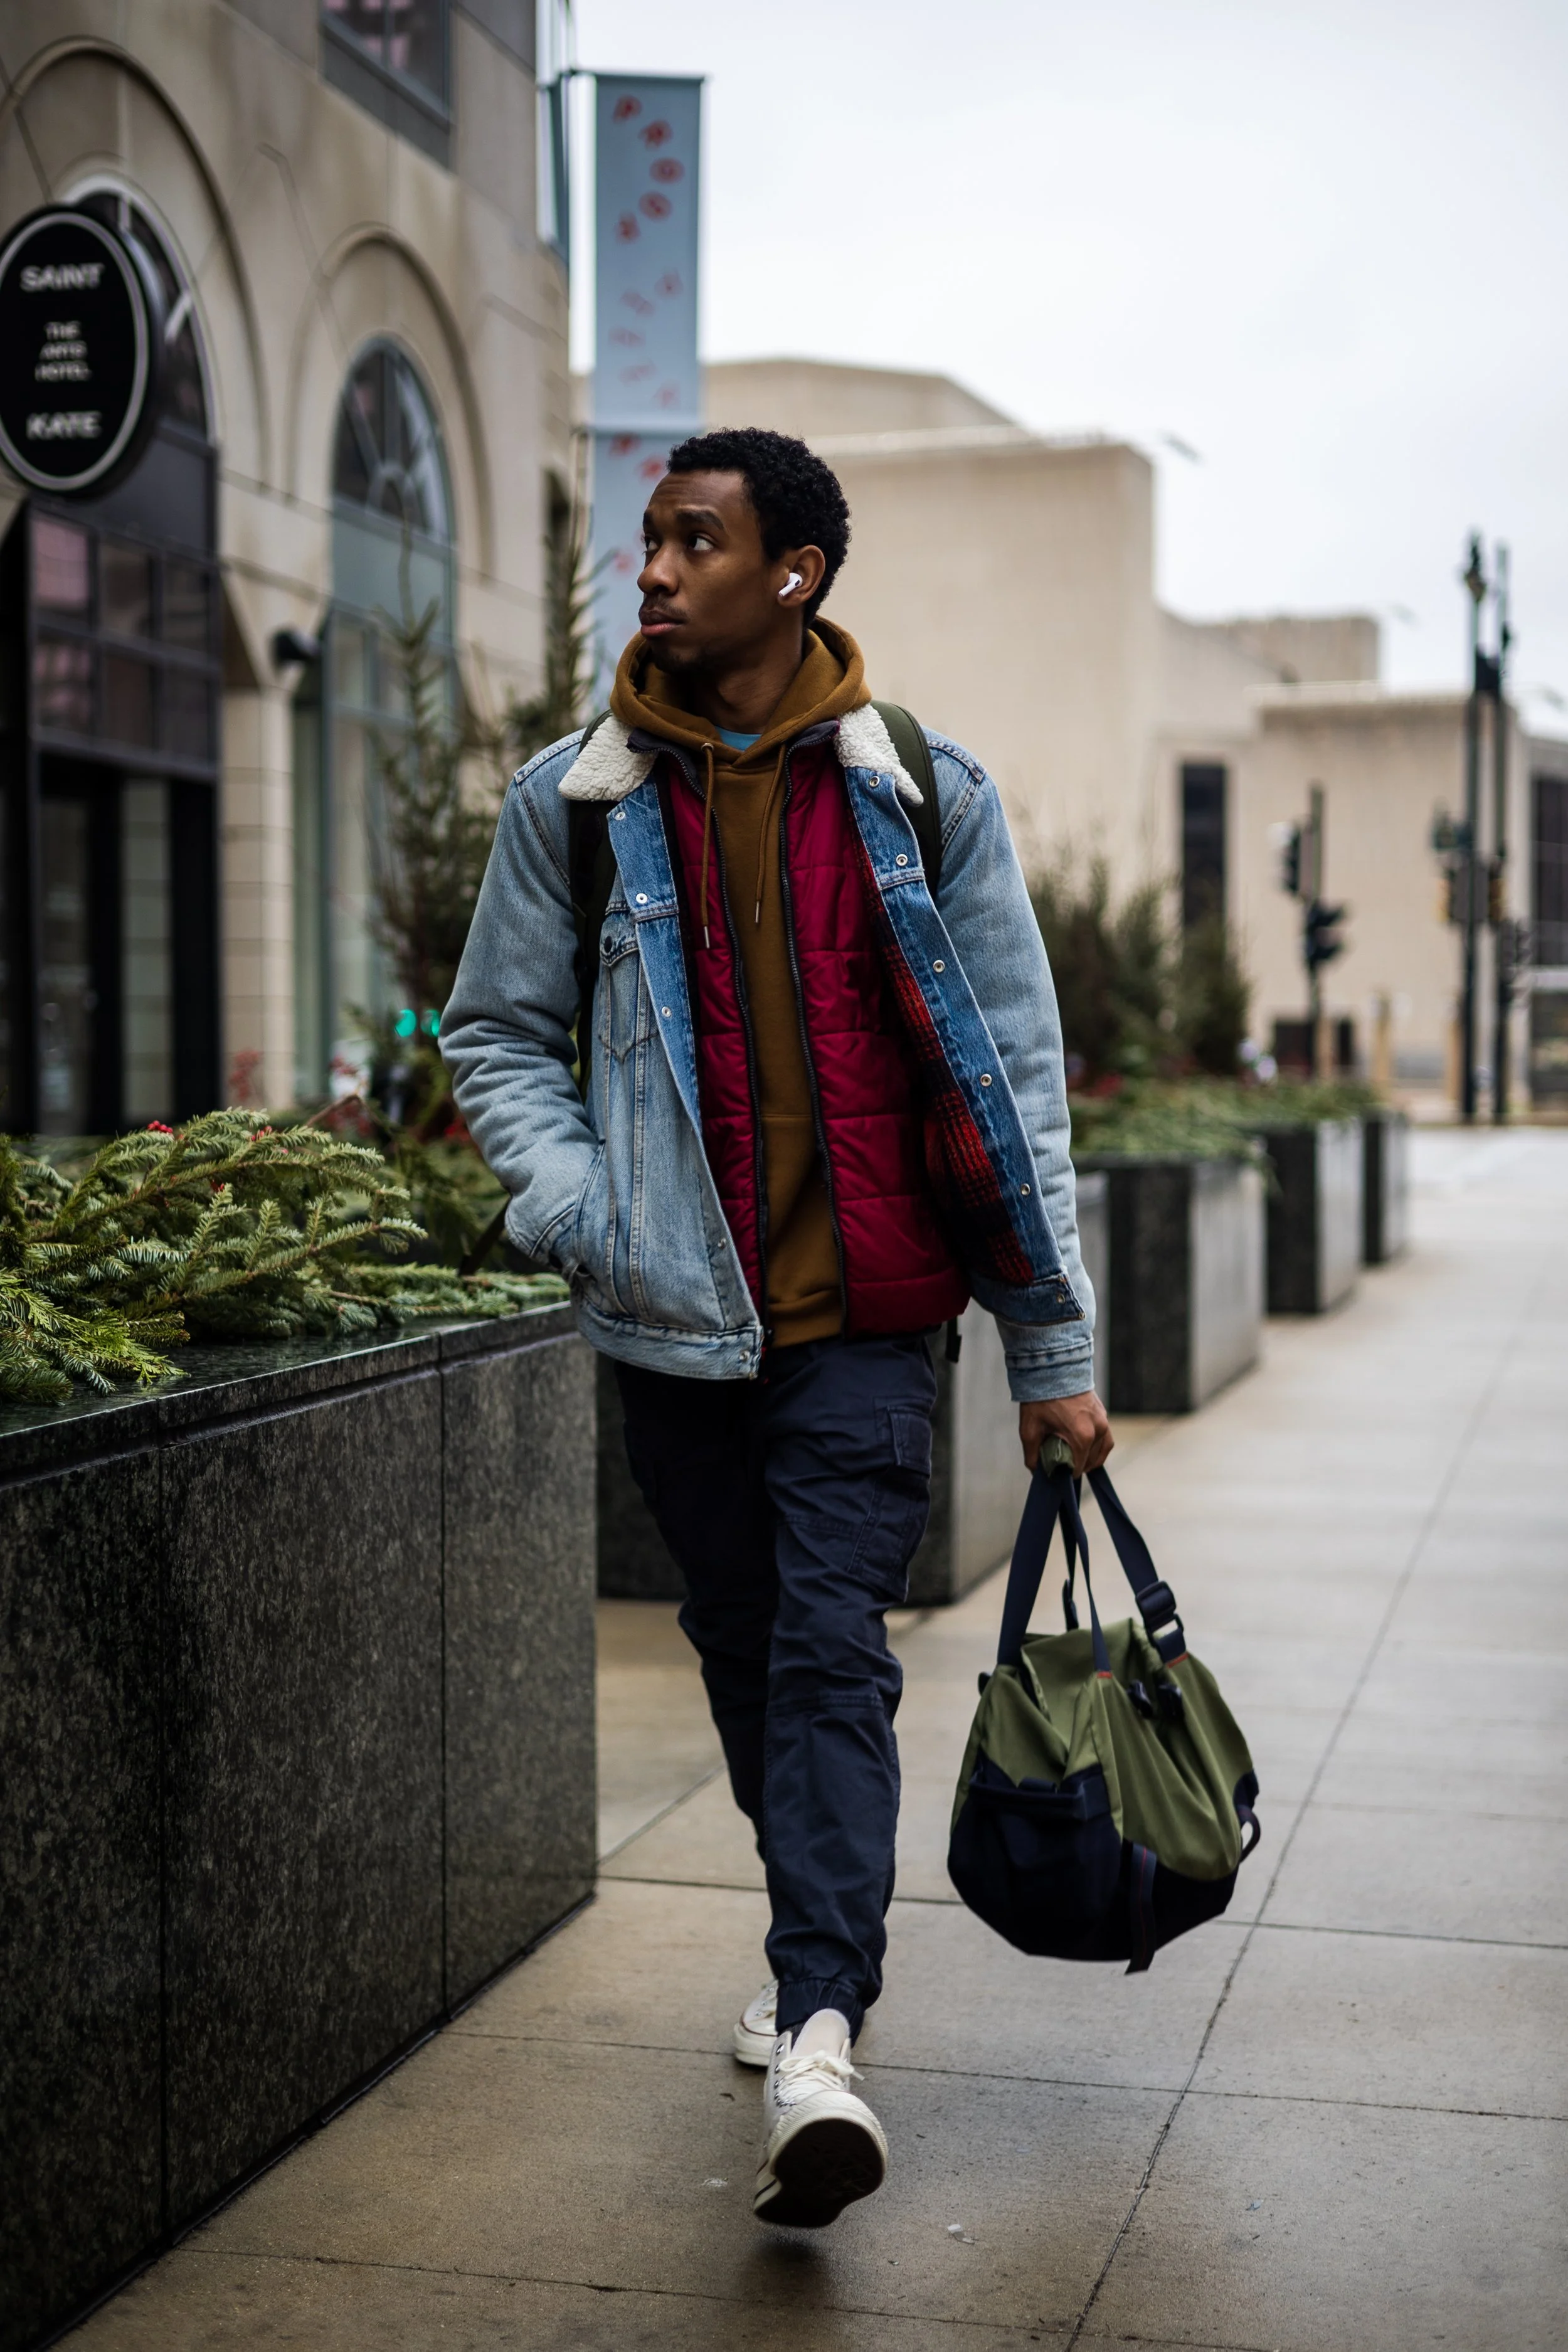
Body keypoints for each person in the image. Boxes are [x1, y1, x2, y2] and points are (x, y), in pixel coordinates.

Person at [442, 426, 1112, 2231]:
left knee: (827, 1652)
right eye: (648, 540)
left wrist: (1054, 1351)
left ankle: (820, 2020)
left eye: (694, 540)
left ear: (794, 572)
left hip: (869, 1327)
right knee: (744, 1648)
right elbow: (490, 1033)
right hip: (673, 1323)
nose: (651, 571)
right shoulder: (572, 806)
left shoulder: (918, 789)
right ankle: (812, 1947)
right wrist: (582, 1206)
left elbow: (1015, 1071)